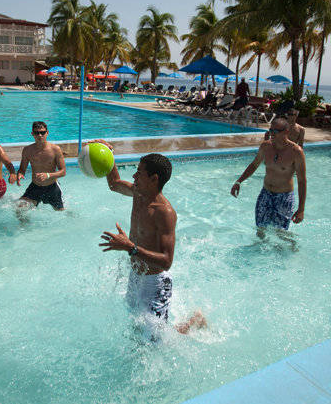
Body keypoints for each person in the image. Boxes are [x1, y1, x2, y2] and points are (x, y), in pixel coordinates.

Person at [96, 142, 206, 338]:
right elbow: (114, 183)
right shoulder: (138, 193)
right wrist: (108, 154)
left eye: (139, 172)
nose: (134, 176)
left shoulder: (164, 212)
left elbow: (167, 261)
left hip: (155, 284)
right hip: (135, 276)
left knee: (157, 341)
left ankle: (195, 321)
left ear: (154, 179)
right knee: (138, 332)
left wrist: (131, 248)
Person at [231, 118, 306, 234]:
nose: (272, 133)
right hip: (265, 194)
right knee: (260, 229)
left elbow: (302, 181)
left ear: (286, 132)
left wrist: (301, 209)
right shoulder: (266, 147)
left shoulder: (296, 152)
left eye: (276, 131)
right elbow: (254, 165)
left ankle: (293, 245)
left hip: (284, 197)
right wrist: (238, 182)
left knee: (280, 233)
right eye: (271, 130)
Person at [16, 121, 66, 211]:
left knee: (61, 213)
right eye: (37, 133)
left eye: (42, 133)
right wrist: (20, 174)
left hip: (52, 187)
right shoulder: (27, 150)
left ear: (47, 133)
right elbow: (22, 169)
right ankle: (25, 221)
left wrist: (48, 175)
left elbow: (63, 172)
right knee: (19, 208)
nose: (40, 135)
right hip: (35, 187)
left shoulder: (55, 150)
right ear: (32, 134)